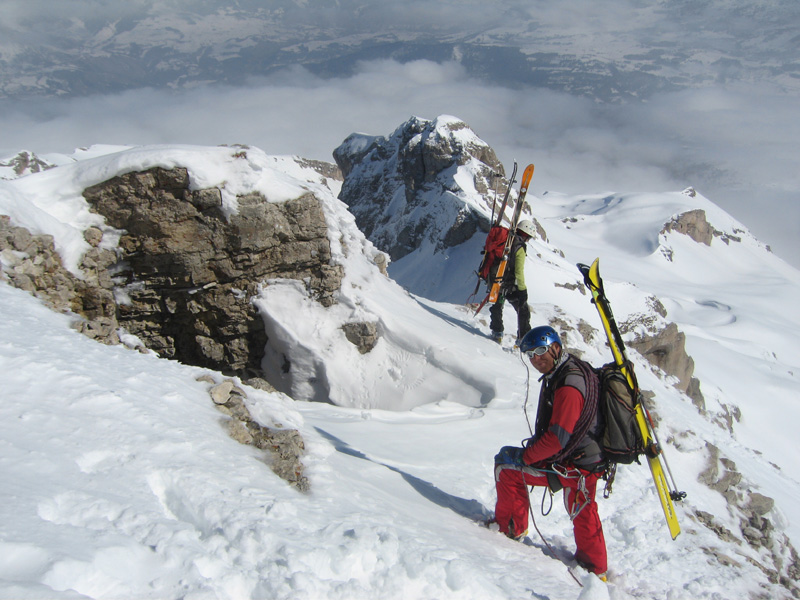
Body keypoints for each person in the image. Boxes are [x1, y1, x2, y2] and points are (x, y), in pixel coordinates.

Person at [492, 325, 608, 579]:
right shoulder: (571, 370)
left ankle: (510, 529)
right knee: (583, 509)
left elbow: (557, 438)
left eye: (542, 350)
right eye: (531, 354)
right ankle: (595, 568)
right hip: (587, 460)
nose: (536, 359)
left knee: (507, 466)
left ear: (556, 347)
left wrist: (528, 457)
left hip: (575, 464)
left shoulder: (567, 385)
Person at [489, 219, 535, 344]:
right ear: (525, 234)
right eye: (529, 237)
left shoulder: (507, 239)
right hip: (509, 284)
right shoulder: (519, 246)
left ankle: (496, 333)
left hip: (495, 279)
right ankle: (523, 338)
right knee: (523, 310)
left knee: (497, 305)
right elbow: (519, 271)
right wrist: (522, 290)